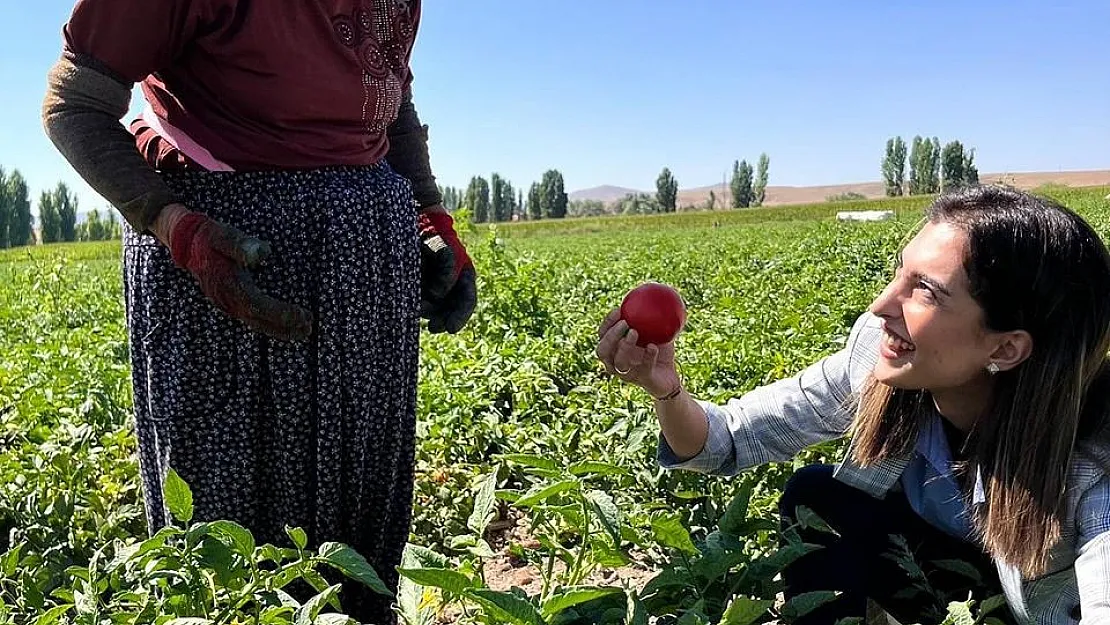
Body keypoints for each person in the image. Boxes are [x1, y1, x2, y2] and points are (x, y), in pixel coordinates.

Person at [41, 2, 475, 622]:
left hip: (364, 272)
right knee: (232, 543)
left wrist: (430, 221)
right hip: (224, 263)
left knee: (360, 524)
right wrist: (179, 229)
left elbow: (389, 96)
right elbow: (73, 104)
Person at [595, 185, 1110, 625]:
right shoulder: (878, 360)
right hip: (948, 566)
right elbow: (726, 439)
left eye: (925, 292)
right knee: (819, 497)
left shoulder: (1095, 466)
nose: (882, 306)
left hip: (1033, 608)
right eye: (900, 274)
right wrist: (664, 387)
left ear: (1005, 348)